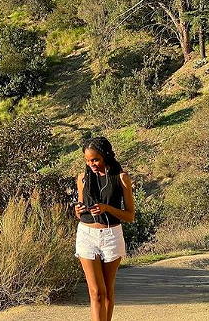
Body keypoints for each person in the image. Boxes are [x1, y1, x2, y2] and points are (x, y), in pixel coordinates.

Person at [74, 136, 135, 321]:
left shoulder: (121, 178)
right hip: (86, 234)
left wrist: (107, 208)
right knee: (96, 293)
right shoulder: (83, 179)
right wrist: (78, 210)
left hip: (111, 236)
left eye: (95, 159)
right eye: (87, 160)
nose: (91, 164)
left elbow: (130, 216)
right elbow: (80, 212)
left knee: (107, 293)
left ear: (106, 156)